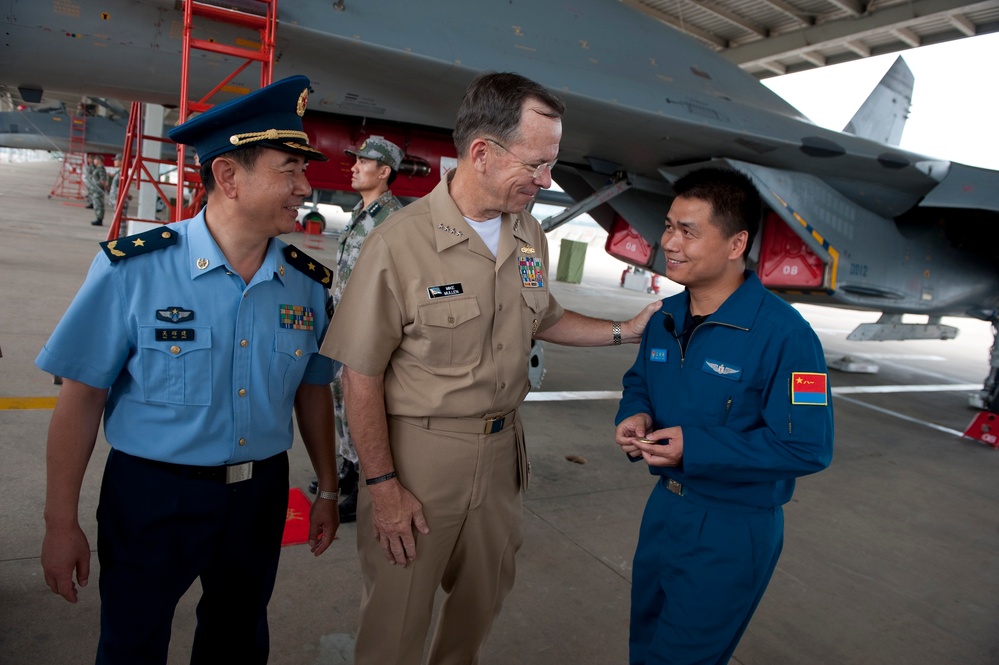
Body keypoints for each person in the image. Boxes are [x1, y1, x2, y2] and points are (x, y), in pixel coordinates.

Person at [320, 71, 662, 664]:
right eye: (536, 164)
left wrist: (624, 331)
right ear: (481, 152)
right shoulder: (398, 244)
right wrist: (383, 486)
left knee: (478, 610)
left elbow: (542, 314)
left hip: (503, 455)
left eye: (551, 163)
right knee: (396, 624)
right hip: (420, 459)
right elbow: (360, 375)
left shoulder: (527, 233)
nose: (546, 179)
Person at [36, 75, 340, 665]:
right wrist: (59, 522)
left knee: (238, 641)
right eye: (289, 170)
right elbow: (81, 398)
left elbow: (313, 388)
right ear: (228, 176)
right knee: (131, 643)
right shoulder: (133, 270)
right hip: (153, 496)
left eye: (304, 170)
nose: (305, 187)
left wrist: (326, 488)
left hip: (259, 494)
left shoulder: (306, 284)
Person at [614, 166, 834, 665]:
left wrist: (696, 447)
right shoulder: (665, 317)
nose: (669, 243)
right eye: (669, 226)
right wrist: (635, 414)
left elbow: (807, 447)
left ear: (737, 244)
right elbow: (639, 381)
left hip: (731, 529)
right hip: (664, 511)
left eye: (688, 231)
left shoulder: (789, 337)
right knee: (645, 646)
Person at [308, 136, 404, 524]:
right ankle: (348, 468)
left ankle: (365, 483)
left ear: (384, 172)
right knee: (340, 398)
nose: (354, 166)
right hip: (344, 325)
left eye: (364, 162)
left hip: (366, 329)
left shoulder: (392, 219)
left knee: (362, 404)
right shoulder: (361, 212)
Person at [86, 154, 109, 225]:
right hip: (95, 190)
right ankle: (98, 217)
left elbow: (103, 180)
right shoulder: (97, 168)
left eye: (95, 159)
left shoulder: (101, 169)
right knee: (96, 205)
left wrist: (104, 188)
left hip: (98, 190)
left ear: (99, 161)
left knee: (99, 205)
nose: (94, 161)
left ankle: (99, 219)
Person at [107, 153, 125, 217]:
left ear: (122, 161)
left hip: (118, 199)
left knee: (119, 218)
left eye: (116, 160)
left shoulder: (122, 173)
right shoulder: (119, 172)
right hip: (115, 199)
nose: (114, 162)